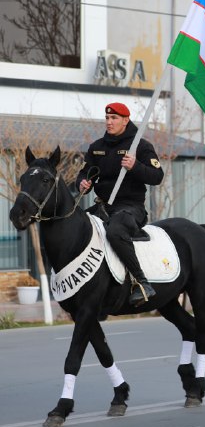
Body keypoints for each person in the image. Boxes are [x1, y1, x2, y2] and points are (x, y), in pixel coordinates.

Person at [76, 102, 164, 306]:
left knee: (115, 231)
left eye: (114, 118)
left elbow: (157, 176)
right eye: (107, 118)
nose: (109, 122)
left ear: (125, 120)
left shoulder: (140, 146)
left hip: (130, 207)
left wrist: (135, 166)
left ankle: (142, 283)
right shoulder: (97, 147)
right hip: (103, 206)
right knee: (76, 227)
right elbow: (85, 171)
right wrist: (82, 182)